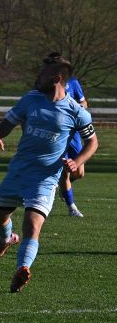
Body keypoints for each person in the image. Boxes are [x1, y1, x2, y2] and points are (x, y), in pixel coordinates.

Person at [0, 53, 97, 293]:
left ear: (56, 78)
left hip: (45, 177)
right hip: (18, 171)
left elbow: (93, 143)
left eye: (42, 73)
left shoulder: (76, 111)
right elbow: (8, 122)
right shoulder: (31, 99)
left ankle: (22, 269)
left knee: (32, 223)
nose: (38, 76)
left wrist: (77, 162)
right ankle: (7, 238)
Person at [60, 72, 89, 217]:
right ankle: (72, 207)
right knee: (65, 171)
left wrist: (78, 107)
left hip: (75, 133)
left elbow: (84, 103)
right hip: (60, 133)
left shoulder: (73, 82)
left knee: (79, 173)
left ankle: (63, 186)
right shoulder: (49, 83)